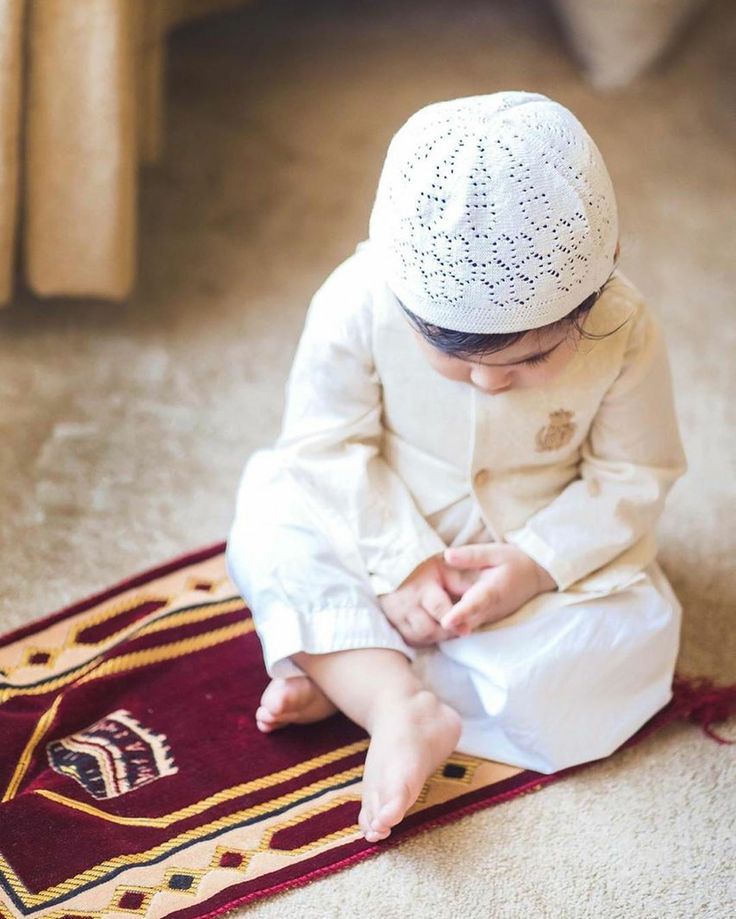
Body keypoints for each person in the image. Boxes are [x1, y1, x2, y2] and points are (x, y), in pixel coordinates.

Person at [225, 91, 686, 845]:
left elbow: (636, 475)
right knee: (268, 524)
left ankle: (357, 672)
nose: (492, 383)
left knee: (624, 651)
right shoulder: (357, 298)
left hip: (526, 564)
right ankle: (394, 699)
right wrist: (400, 563)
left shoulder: (625, 330)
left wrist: (536, 564)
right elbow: (322, 446)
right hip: (376, 530)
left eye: (535, 357)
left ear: (596, 291)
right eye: (456, 361)